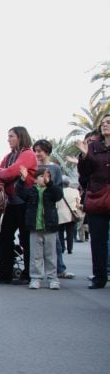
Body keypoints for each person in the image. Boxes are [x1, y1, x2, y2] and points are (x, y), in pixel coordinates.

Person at [0, 126, 37, 285]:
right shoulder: (9, 156)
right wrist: (1, 173)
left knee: (26, 239)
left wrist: (1, 173)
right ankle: (5, 273)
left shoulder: (28, 154)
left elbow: (10, 172)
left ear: (20, 137)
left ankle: (28, 274)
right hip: (11, 202)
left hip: (24, 202)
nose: (8, 139)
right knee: (4, 236)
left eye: (11, 136)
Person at [32, 139, 75, 280]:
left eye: (40, 151)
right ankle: (35, 273)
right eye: (35, 151)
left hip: (50, 209)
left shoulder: (55, 168)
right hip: (34, 208)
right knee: (35, 245)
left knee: (55, 242)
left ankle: (59, 269)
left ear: (47, 152)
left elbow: (57, 189)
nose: (37, 154)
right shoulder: (33, 166)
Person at [77, 114, 110, 289]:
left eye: (109, 122)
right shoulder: (94, 146)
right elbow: (84, 172)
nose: (105, 125)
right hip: (98, 197)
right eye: (103, 122)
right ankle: (99, 277)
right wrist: (84, 156)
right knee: (98, 241)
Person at [16, 167, 63, 290]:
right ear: (35, 179)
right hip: (35, 228)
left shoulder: (52, 190)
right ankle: (35, 278)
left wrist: (50, 183)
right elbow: (19, 192)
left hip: (50, 227)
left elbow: (59, 195)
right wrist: (22, 179)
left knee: (51, 255)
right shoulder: (31, 190)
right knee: (35, 255)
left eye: (47, 176)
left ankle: (53, 278)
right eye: (42, 176)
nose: (45, 178)